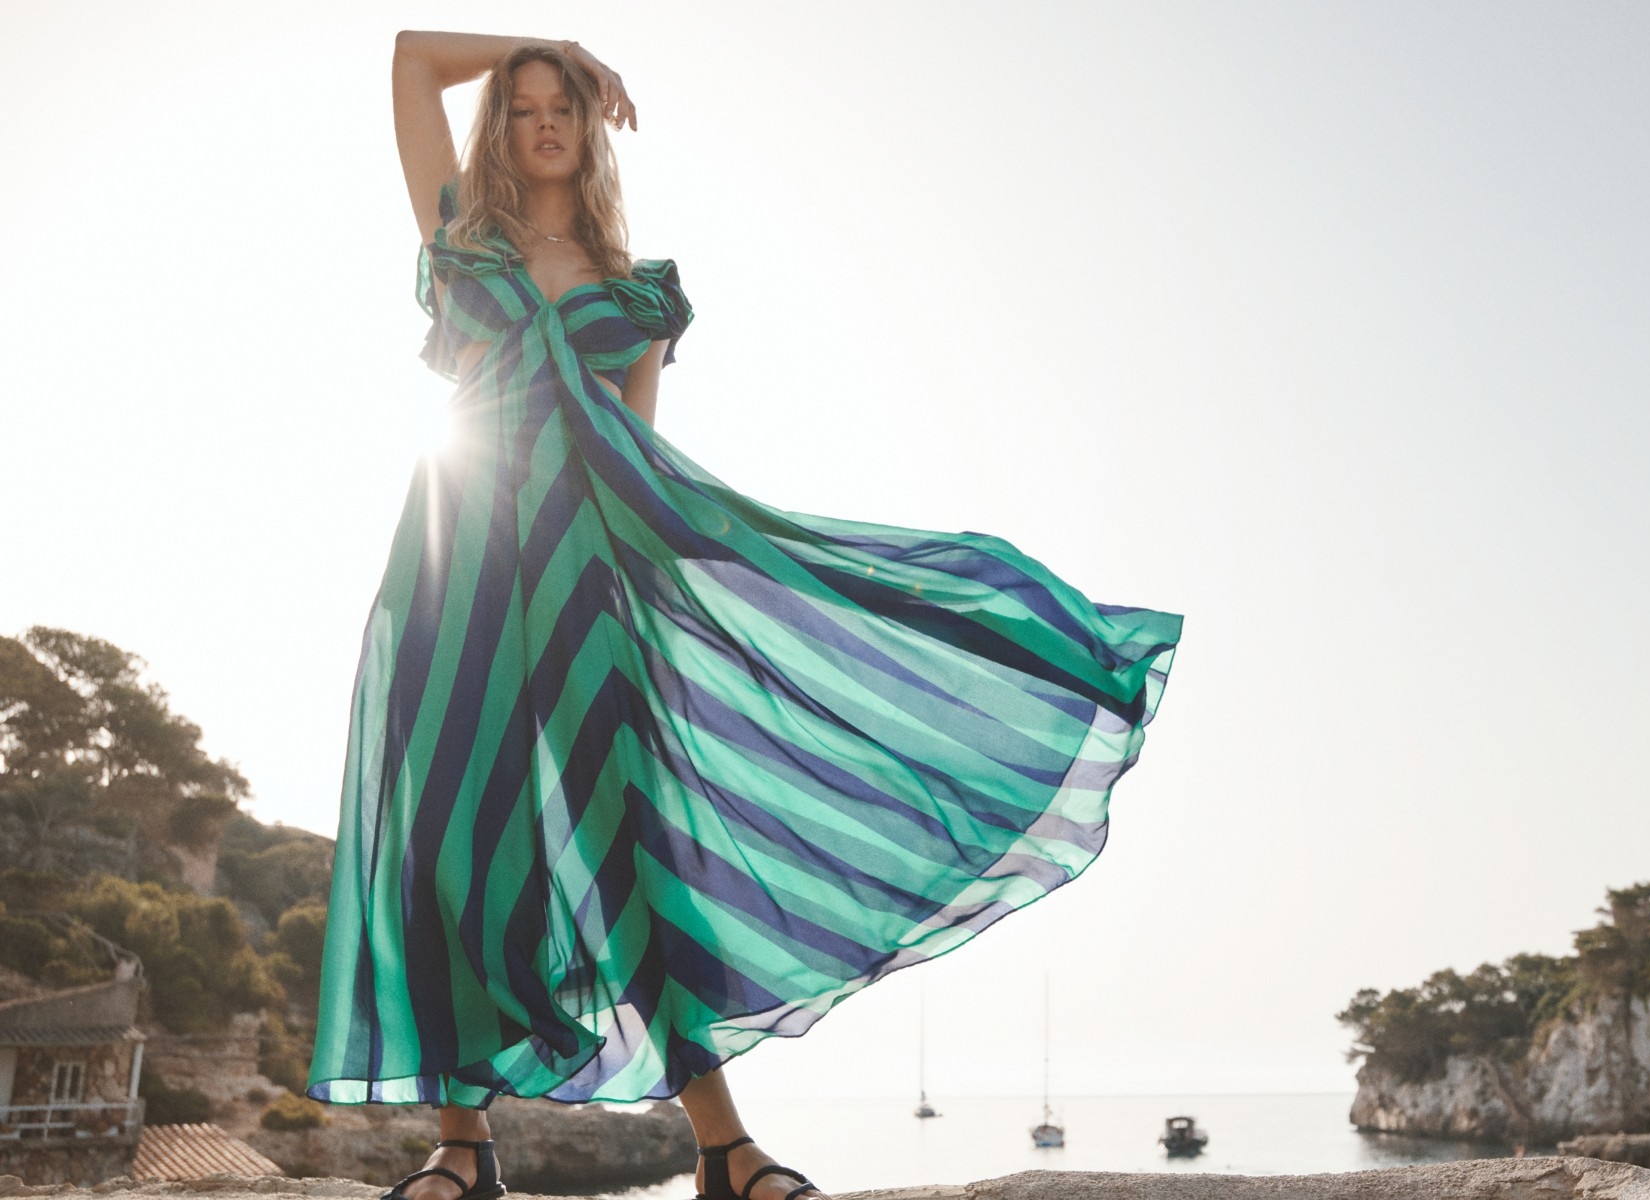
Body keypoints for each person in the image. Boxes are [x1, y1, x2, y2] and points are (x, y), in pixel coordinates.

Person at [307, 31, 1183, 1200]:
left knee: (633, 856)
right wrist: (553, 39)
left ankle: (725, 1149)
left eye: (558, 103)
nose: (542, 123)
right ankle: (463, 1151)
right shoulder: (463, 241)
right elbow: (412, 58)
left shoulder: (641, 296)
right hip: (451, 571)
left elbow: (646, 469)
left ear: (588, 126)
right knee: (456, 847)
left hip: (584, 587)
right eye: (520, 109)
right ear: (500, 131)